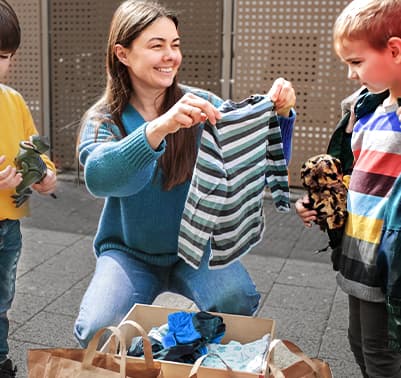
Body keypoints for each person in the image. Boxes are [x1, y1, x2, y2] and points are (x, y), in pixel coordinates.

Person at [74, 0, 296, 348]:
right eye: (157, 45)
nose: (170, 56)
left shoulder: (200, 102)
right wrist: (159, 128)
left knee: (236, 302)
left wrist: (279, 115)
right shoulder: (104, 119)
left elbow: (251, 159)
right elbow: (101, 178)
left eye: (175, 45)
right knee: (98, 329)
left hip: (197, 248)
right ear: (123, 54)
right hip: (128, 251)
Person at [296, 0, 401, 376]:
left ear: (395, 50)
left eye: (357, 63)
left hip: (388, 259)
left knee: (380, 352)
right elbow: (357, 175)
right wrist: (322, 202)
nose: (351, 76)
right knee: (359, 342)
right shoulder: (368, 110)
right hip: (359, 248)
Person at [0, 1, 57, 376]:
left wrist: (45, 176)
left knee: (2, 299)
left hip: (8, 226)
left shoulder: (13, 101)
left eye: (3, 56)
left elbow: (36, 154)